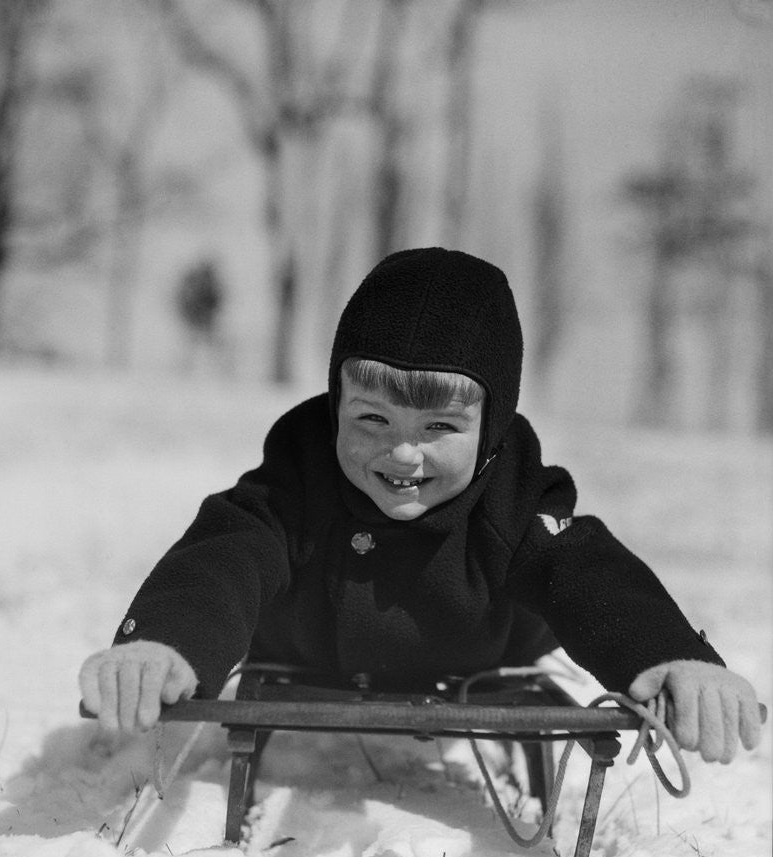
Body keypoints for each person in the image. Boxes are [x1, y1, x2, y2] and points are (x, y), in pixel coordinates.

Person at [79, 248, 762, 765]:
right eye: (372, 420)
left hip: (476, 661)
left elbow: (588, 574)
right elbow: (228, 555)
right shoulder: (299, 478)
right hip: (309, 657)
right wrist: (166, 640)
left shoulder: (514, 503)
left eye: (439, 429)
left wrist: (673, 655)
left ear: (490, 428)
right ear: (334, 404)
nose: (402, 456)